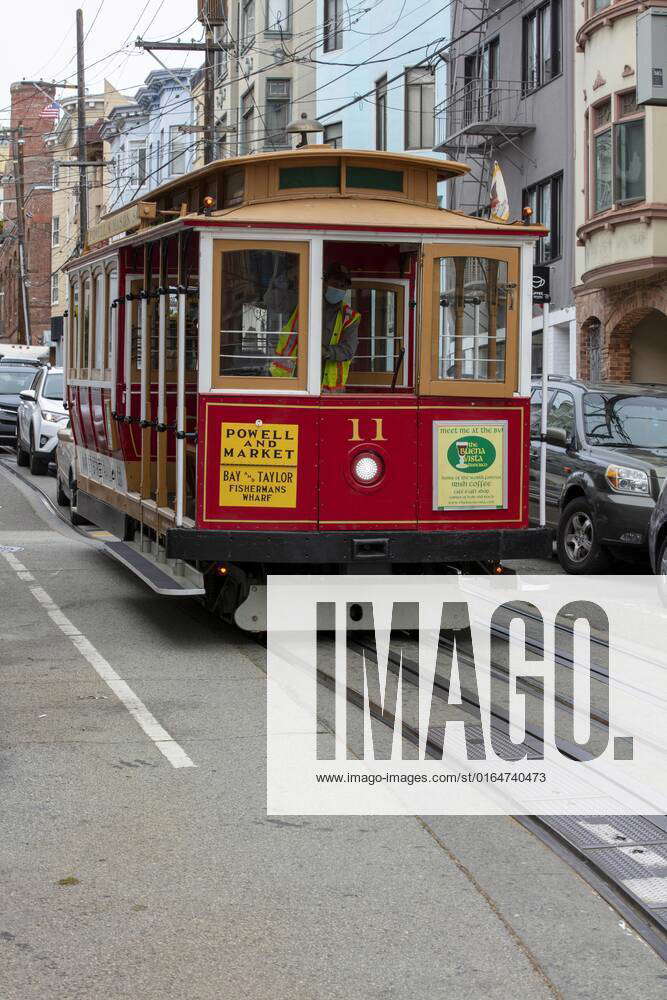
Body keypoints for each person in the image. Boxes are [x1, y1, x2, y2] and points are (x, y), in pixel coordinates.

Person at [270, 262, 361, 391]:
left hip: (329, 390)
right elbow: (270, 301)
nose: (338, 288)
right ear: (325, 282)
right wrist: (286, 276)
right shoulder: (302, 302)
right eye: (335, 283)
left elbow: (348, 350)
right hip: (292, 380)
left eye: (343, 286)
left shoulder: (350, 317)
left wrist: (324, 352)